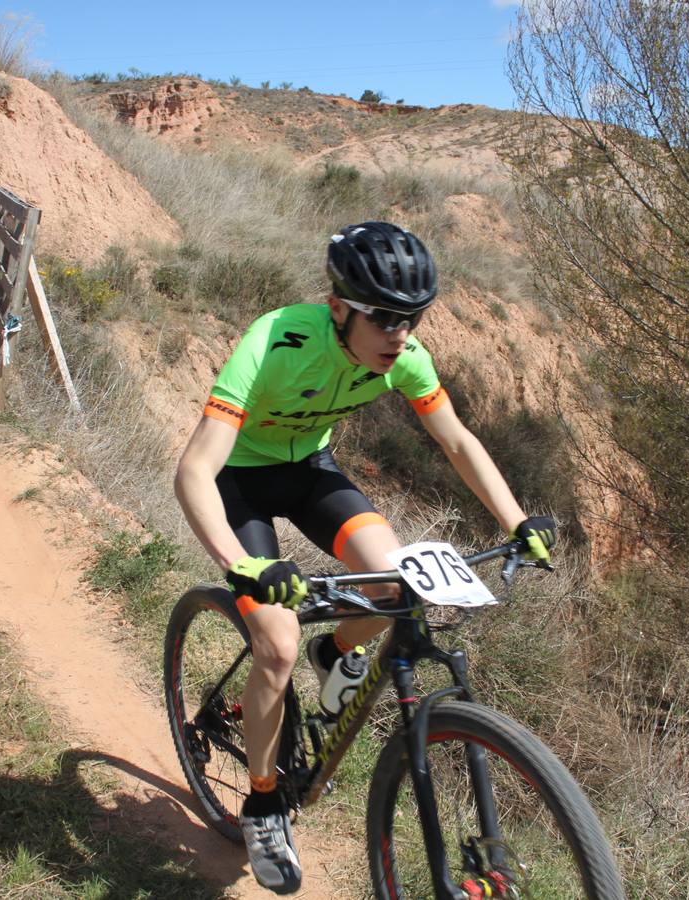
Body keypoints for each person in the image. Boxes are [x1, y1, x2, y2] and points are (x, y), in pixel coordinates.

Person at [174, 221, 558, 894]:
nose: (398, 334)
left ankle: (336, 655)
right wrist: (243, 564)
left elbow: (459, 442)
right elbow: (194, 471)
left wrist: (517, 520)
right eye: (383, 318)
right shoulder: (275, 340)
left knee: (398, 584)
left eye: (410, 318)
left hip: (310, 471)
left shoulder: (405, 357)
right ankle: (264, 801)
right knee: (277, 643)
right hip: (238, 479)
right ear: (339, 307)